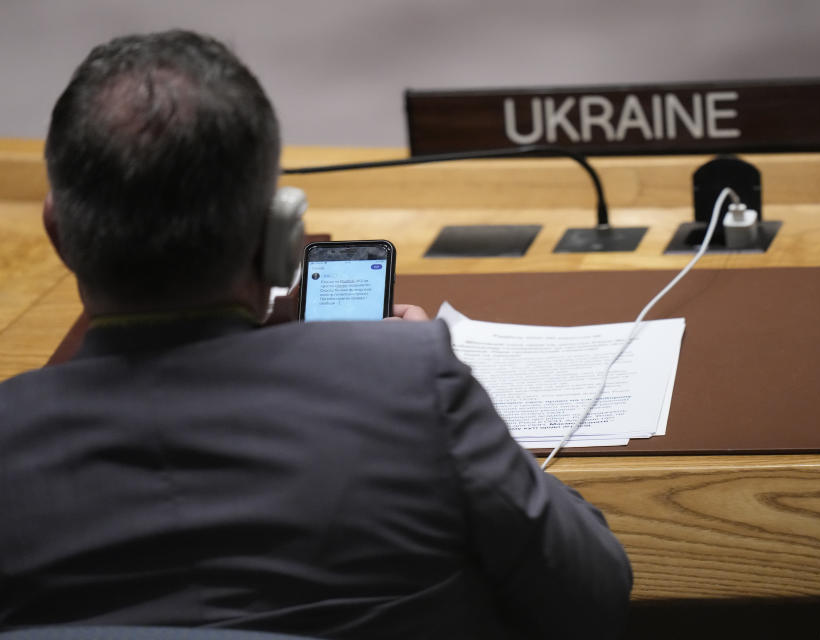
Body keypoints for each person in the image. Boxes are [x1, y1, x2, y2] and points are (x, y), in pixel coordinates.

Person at [0, 30, 632, 639]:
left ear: (59, 234)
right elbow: (595, 594)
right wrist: (452, 405)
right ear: (281, 239)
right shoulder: (409, 383)